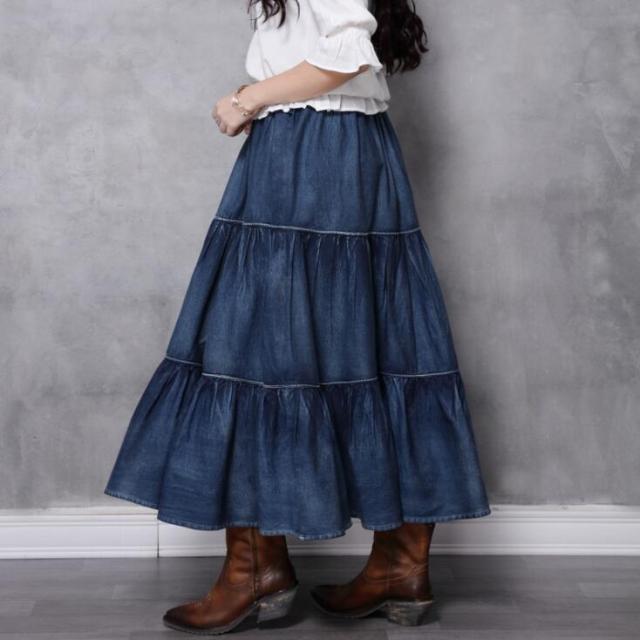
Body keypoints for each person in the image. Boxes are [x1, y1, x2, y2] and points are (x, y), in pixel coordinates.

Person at [104, 0, 491, 634]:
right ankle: (399, 569)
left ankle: (256, 572)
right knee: (383, 344)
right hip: (347, 151)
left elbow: (344, 53)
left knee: (255, 349)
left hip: (308, 156)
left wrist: (246, 98)